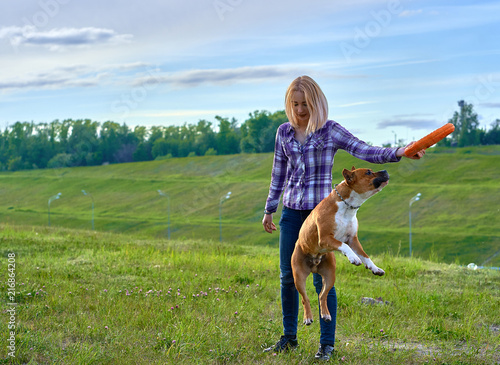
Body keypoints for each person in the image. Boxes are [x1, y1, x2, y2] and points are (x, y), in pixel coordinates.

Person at [262, 75, 424, 360]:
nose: (300, 110)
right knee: (288, 276)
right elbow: (279, 173)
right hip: (291, 214)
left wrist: (400, 152)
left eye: (306, 104)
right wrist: (270, 208)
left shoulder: (329, 131)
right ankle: (289, 338)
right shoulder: (283, 133)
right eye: (295, 104)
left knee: (324, 279)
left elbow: (363, 149)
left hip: (322, 215)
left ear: (317, 102)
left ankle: (327, 344)